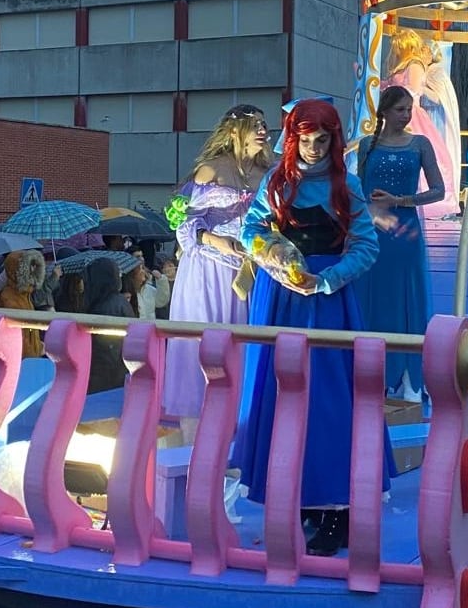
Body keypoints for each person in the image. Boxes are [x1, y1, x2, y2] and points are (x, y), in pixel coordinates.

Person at [233, 99, 379, 557]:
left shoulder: (346, 186)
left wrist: (326, 280)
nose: (313, 149)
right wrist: (272, 251)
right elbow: (248, 232)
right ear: (291, 140)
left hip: (328, 307)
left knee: (329, 403)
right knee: (277, 398)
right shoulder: (277, 184)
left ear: (334, 141)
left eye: (322, 140)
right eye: (305, 140)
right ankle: (296, 499)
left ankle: (337, 509)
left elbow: (367, 247)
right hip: (278, 303)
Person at [162, 104, 271, 428]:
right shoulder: (209, 170)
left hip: (252, 271)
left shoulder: (269, 173)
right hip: (208, 271)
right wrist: (214, 240)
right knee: (205, 348)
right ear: (235, 131)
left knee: (244, 351)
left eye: (265, 124)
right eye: (255, 125)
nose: (263, 130)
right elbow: (181, 223)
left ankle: (240, 439)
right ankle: (196, 441)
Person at [355, 86, 445, 399]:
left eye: (409, 109)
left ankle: (410, 380)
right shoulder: (367, 145)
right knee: (374, 297)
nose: (407, 115)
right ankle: (371, 375)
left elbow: (439, 191)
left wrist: (401, 200)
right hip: (374, 233)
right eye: (400, 109)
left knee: (407, 298)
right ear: (385, 112)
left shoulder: (420, 144)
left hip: (406, 233)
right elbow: (358, 191)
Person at [376, 29, 452, 218]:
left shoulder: (414, 65)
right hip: (395, 114)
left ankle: (420, 198)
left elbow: (413, 90)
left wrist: (392, 92)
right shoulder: (403, 67)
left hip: (412, 115)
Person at [420, 40, 461, 219]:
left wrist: (418, 88)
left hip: (435, 120)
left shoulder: (435, 71)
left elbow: (438, 99)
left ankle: (438, 202)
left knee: (435, 157)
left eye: (424, 51)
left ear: (431, 53)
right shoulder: (426, 71)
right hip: (426, 118)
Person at [83, 256, 135, 395]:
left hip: (107, 377)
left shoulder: (105, 306)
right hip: (117, 374)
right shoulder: (117, 301)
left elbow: (110, 348)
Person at [0, 250, 46, 358]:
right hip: (21, 359)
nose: (32, 271)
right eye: (28, 268)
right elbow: (18, 334)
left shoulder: (25, 295)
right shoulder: (9, 298)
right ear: (17, 272)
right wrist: (31, 353)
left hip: (29, 357)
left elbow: (30, 330)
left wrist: (38, 346)